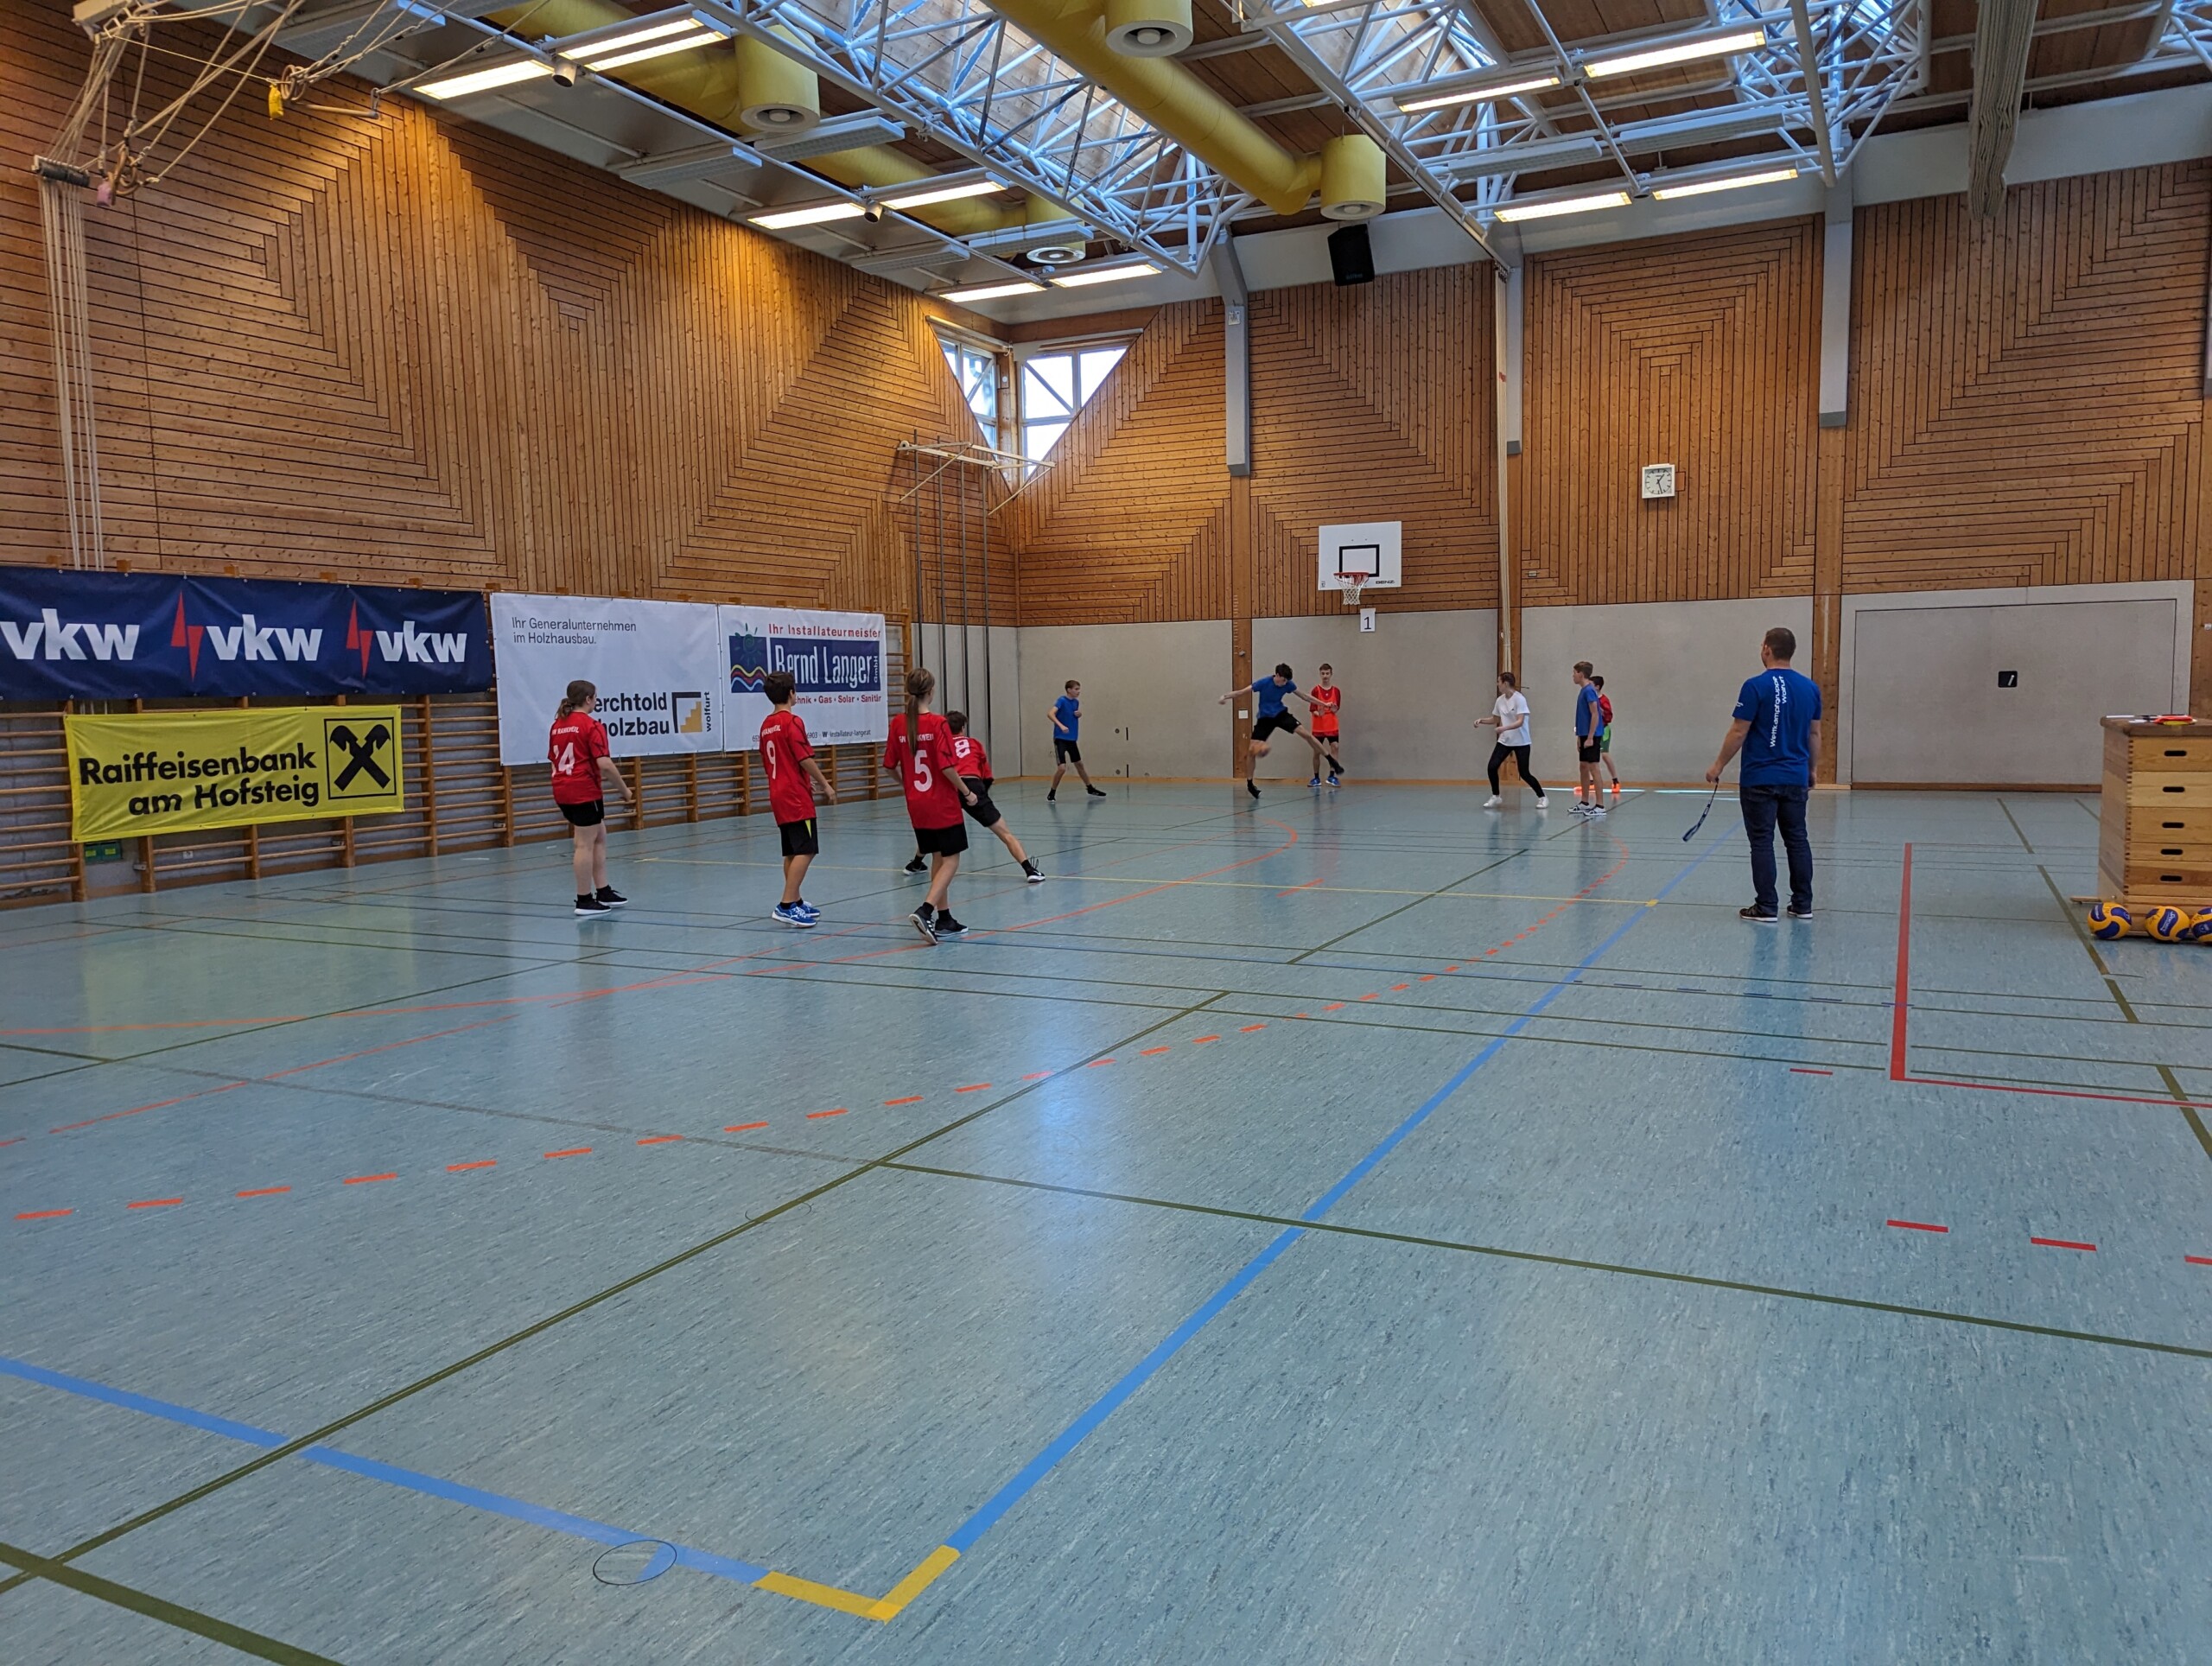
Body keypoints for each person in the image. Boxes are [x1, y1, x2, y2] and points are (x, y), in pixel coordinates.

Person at [1706, 626, 1821, 923]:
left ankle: (1767, 906)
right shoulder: (1810, 688)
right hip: (1794, 776)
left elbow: (1739, 731)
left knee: (1761, 841)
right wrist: (1811, 769)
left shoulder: (1755, 686)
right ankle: (1803, 904)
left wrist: (1718, 765)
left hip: (1760, 778)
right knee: (1797, 839)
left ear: (1767, 649)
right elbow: (1814, 734)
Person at [884, 666, 977, 944]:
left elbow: (888, 765)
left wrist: (907, 783)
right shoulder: (938, 724)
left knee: (937, 856)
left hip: (916, 804)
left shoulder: (898, 723)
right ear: (931, 691)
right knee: (952, 859)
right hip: (941, 802)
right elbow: (946, 766)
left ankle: (944, 918)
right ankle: (925, 911)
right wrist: (967, 792)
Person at [759, 670, 836, 928]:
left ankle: (796, 900)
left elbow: (775, 760)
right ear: (792, 693)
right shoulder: (792, 722)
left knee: (792, 850)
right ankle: (786, 905)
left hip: (778, 793)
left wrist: (799, 778)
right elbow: (804, 757)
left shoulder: (766, 725)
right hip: (795, 796)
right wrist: (825, 784)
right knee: (807, 849)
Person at [547, 679, 631, 917]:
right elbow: (605, 764)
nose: (596, 702)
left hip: (563, 788)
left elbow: (554, 760)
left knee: (599, 835)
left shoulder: (557, 725)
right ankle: (584, 899)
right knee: (584, 844)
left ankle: (603, 890)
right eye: (595, 698)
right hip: (583, 790)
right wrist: (624, 790)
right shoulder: (591, 725)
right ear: (588, 699)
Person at [943, 711, 1044, 882]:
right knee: (1005, 833)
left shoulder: (942, 745)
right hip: (972, 786)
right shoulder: (974, 743)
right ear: (963, 728)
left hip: (949, 787)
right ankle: (1030, 870)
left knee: (936, 830)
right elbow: (987, 776)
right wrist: (982, 797)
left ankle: (916, 862)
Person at [1218, 663, 1343, 800]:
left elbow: (1305, 697)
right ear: (1277, 675)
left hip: (1280, 714)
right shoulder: (1263, 683)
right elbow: (1241, 692)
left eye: (1286, 681)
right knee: (1251, 751)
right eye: (1283, 680)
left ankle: (1332, 761)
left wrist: (1325, 704)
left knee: (1306, 734)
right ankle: (1250, 784)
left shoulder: (1288, 684)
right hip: (1265, 719)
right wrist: (1225, 696)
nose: (1284, 684)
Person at [1477, 671, 1547, 808]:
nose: (1497, 684)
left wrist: (1504, 728)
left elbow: (1520, 721)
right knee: (1492, 767)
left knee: (1524, 773)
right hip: (1505, 741)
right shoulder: (1500, 700)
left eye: (1499, 682)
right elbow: (1496, 719)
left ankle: (1542, 797)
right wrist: (1481, 721)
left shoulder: (1520, 699)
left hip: (1521, 741)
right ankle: (1496, 796)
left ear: (1506, 683)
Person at [1047, 680, 1108, 801]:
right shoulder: (1061, 700)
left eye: (1079, 689)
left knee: (1079, 764)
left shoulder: (1076, 702)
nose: (1078, 691)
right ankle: (1052, 792)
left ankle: (1090, 788)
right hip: (1061, 739)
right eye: (1076, 689)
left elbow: (1070, 715)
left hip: (1072, 739)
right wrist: (1061, 726)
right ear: (1069, 690)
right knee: (1062, 768)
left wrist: (1078, 715)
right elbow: (1050, 714)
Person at [1570, 660, 1606, 816]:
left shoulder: (1589, 691)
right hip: (1584, 734)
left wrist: (1590, 737)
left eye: (1574, 673)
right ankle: (1585, 802)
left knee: (1594, 767)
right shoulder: (1583, 690)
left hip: (1593, 735)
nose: (1573, 676)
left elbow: (1595, 714)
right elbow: (1582, 716)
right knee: (1583, 766)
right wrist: (1580, 737)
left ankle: (1600, 805)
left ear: (1581, 674)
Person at [1306, 664, 1344, 789]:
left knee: (1335, 747)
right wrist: (1319, 713)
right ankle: (1316, 778)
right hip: (1319, 726)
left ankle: (1332, 776)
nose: (1325, 676)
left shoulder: (1336, 691)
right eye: (1323, 673)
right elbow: (1312, 709)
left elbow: (1336, 708)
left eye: (1327, 673)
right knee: (1317, 751)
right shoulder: (1315, 690)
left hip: (1332, 725)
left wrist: (1334, 709)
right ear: (1320, 674)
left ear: (1331, 674)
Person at [1592, 673, 1621, 795]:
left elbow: (1609, 716)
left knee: (1604, 755)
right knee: (1590, 756)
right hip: (1592, 730)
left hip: (1603, 729)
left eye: (1591, 685)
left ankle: (1615, 781)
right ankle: (1592, 782)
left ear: (1597, 687)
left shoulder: (1604, 700)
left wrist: (1600, 710)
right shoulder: (1590, 699)